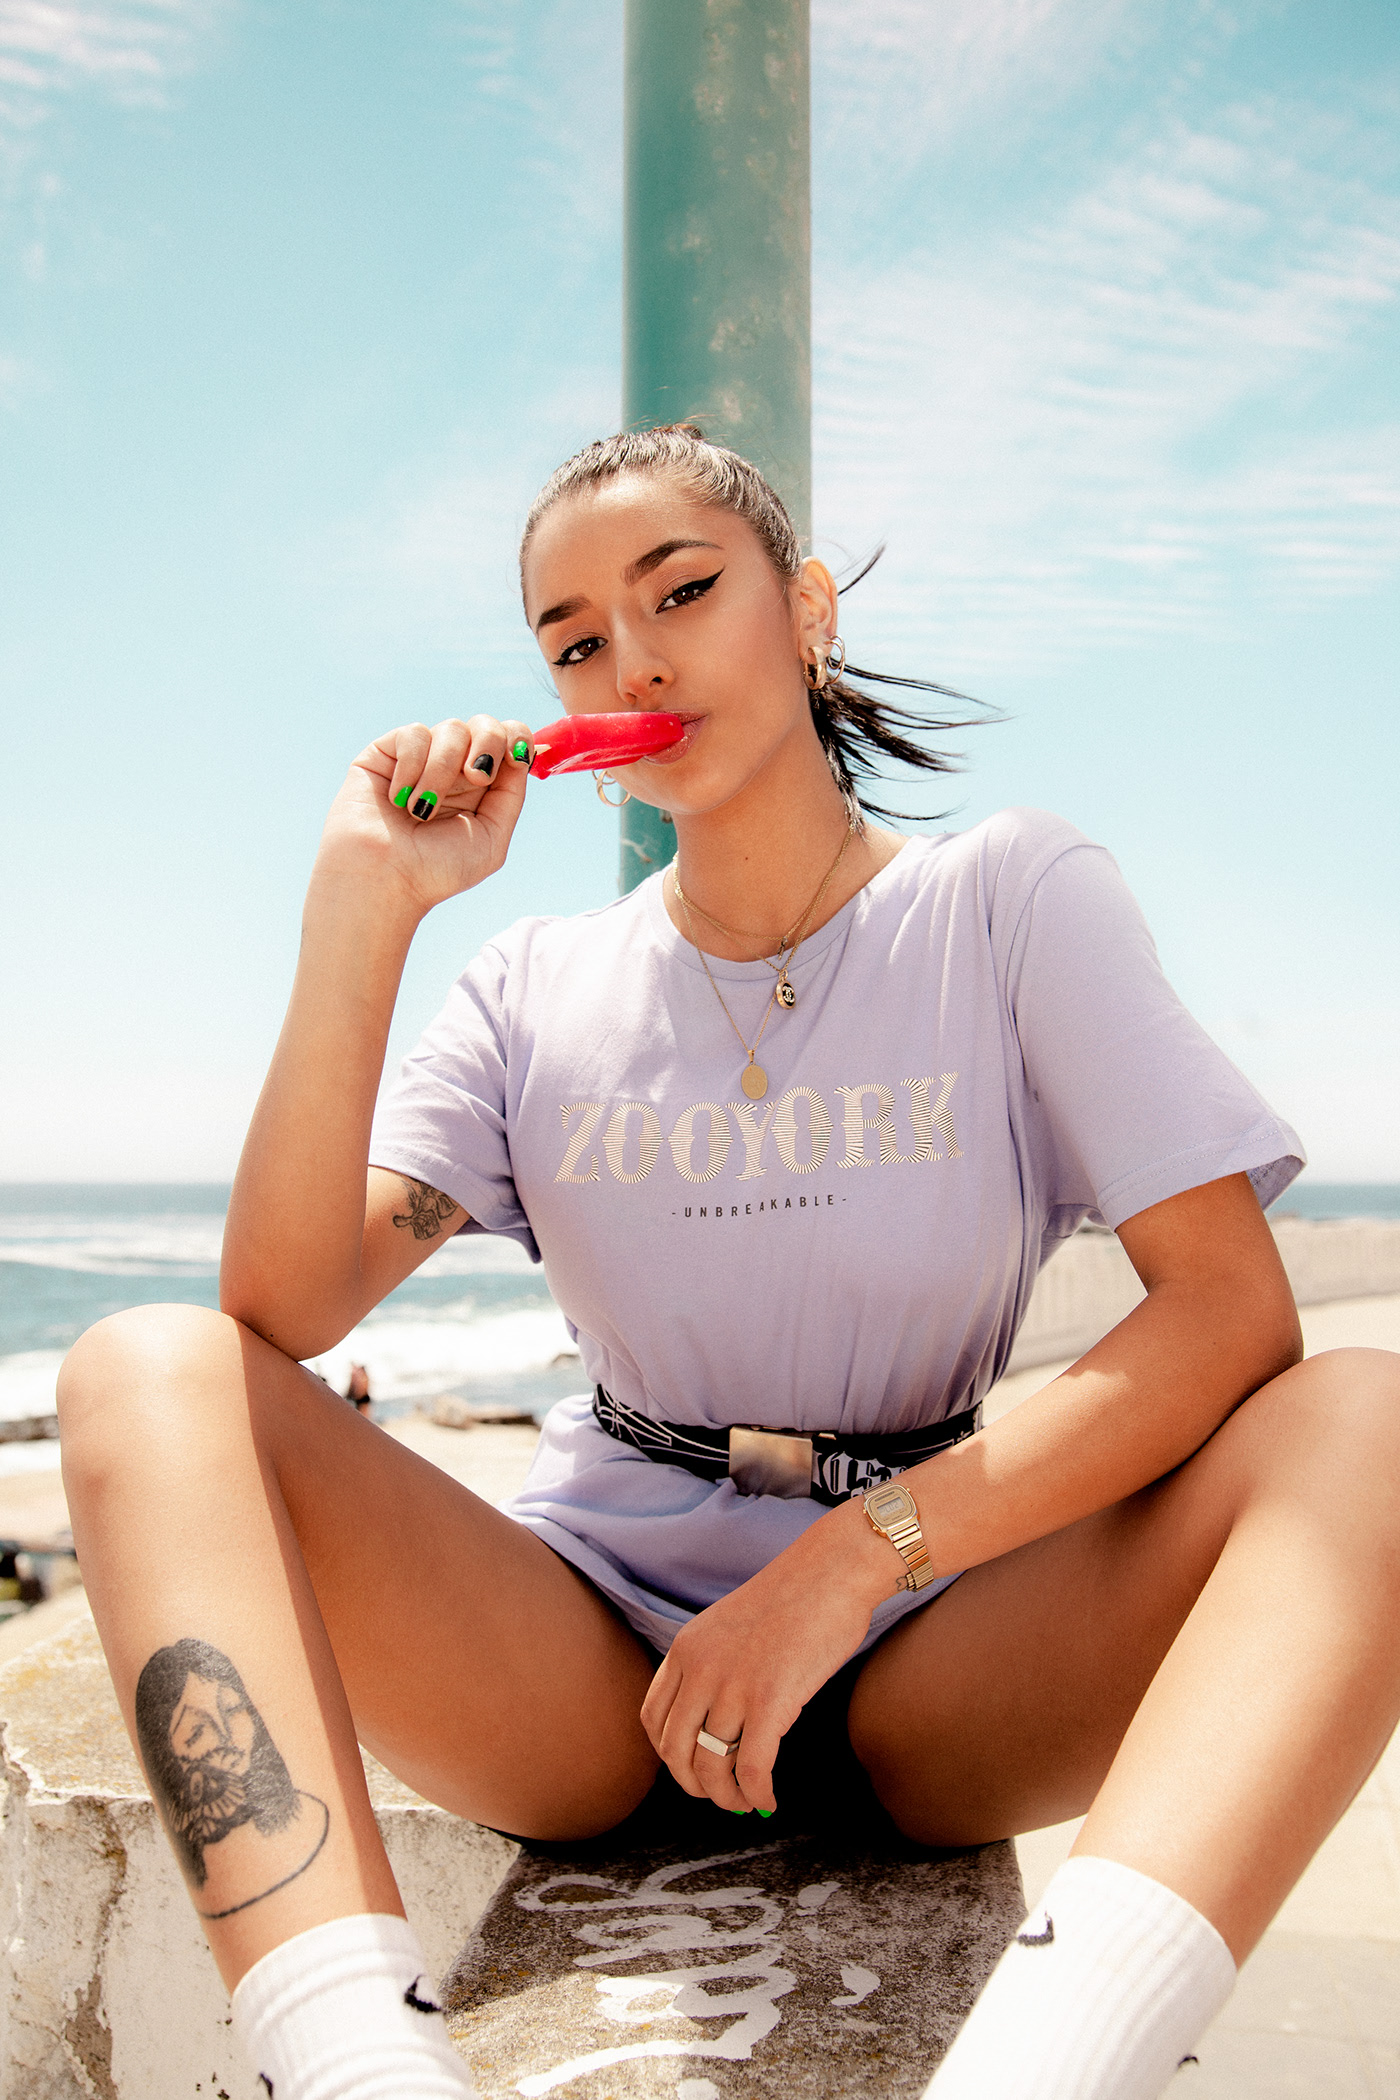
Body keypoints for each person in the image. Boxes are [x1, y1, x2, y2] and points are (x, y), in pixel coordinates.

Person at [57, 425, 1400, 2100]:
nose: (632, 659)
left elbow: (1229, 1315)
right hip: (590, 1658)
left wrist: (847, 1566)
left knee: (1372, 1418)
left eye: (681, 592)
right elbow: (278, 1313)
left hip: (941, 1638)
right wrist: (365, 910)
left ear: (809, 610)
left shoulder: (1008, 904)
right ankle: (350, 2070)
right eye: (573, 643)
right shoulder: (534, 986)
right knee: (141, 1367)